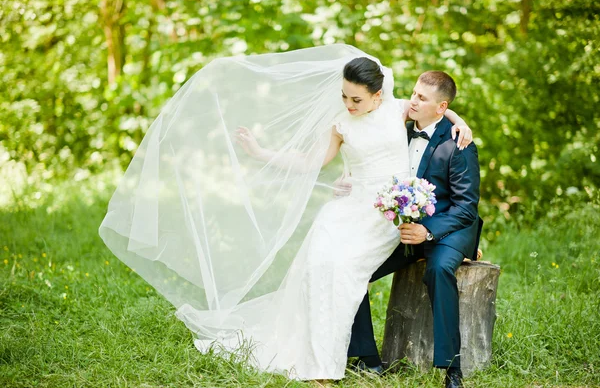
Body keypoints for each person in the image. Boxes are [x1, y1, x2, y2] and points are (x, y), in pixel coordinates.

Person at [98, 44, 471, 382]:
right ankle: (329, 358)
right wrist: (260, 152)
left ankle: (338, 361)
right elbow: (310, 161)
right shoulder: (341, 125)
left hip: (384, 216)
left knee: (342, 269)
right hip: (348, 207)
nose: (348, 105)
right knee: (317, 261)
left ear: (377, 95)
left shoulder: (395, 110)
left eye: (356, 99)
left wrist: (460, 122)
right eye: (344, 96)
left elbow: (434, 108)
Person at [345, 71, 482, 388]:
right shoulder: (400, 132)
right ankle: (368, 360)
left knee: (438, 270)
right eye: (414, 93)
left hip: (448, 231)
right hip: (405, 230)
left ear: (441, 106)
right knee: (354, 267)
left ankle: (452, 370)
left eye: (422, 97)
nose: (413, 100)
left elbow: (466, 208)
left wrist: (428, 232)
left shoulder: (459, 143)